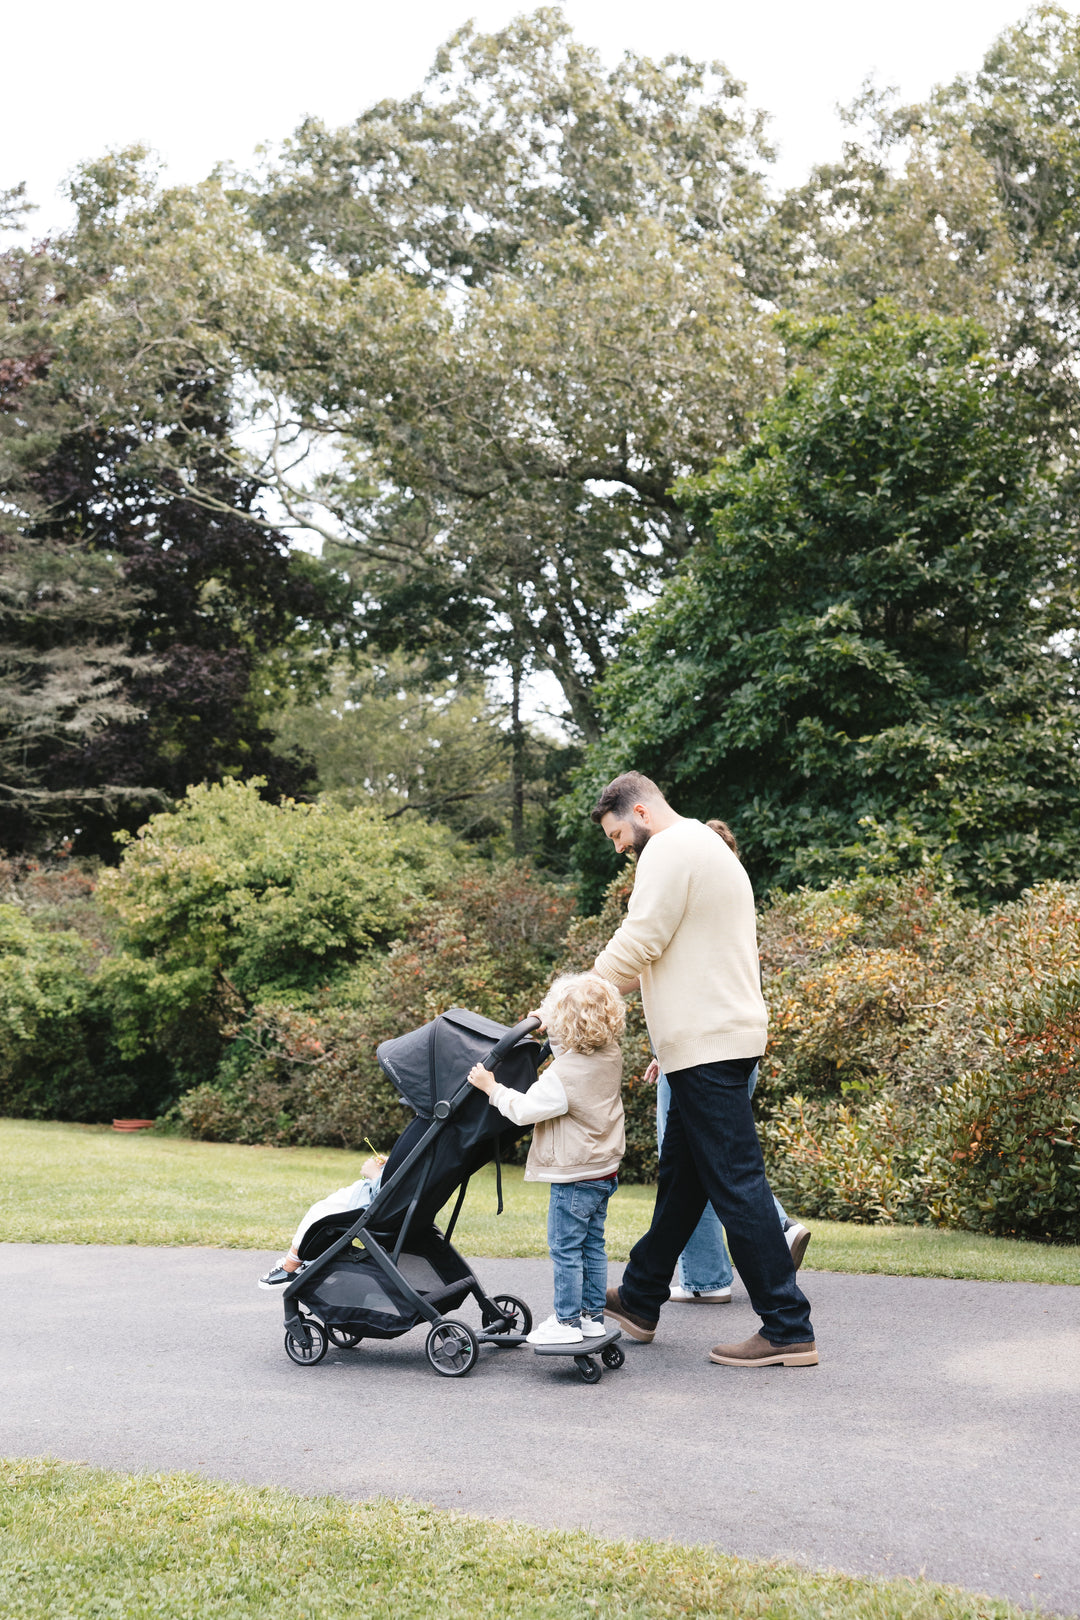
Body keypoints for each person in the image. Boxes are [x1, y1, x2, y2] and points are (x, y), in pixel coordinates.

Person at [590, 771, 818, 1368]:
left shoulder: (668, 849)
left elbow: (641, 939)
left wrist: (578, 994)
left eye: (618, 834)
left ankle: (787, 1327)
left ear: (640, 810)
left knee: (737, 1184)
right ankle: (641, 1298)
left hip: (709, 1045)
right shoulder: (706, 847)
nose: (620, 848)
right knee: (684, 1180)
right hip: (713, 1039)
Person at [659, 816, 810, 1303]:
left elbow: (684, 981)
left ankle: (733, 1288)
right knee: (701, 1167)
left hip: (701, 1053)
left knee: (723, 1171)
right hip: (730, 1047)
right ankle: (644, 1290)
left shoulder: (694, 894)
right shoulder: (733, 907)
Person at [467, 972, 625, 1346]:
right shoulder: (609, 1054)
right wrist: (551, 1020)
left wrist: (492, 1088)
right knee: (592, 1247)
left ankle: (566, 1323)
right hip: (603, 1170)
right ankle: (591, 1319)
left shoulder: (561, 1076)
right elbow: (570, 1047)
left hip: (573, 1176)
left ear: (566, 1023)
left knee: (566, 1250)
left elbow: (523, 1110)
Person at [257, 1151, 387, 1288]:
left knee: (320, 1212)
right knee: (324, 1211)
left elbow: (393, 1192)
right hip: (375, 1198)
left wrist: (374, 1174)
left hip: (372, 1202)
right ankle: (311, 1260)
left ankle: (290, 1268)